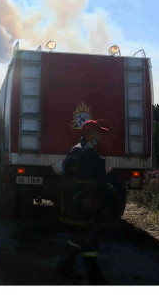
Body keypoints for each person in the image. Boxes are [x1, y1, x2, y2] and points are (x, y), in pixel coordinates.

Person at [57, 120, 109, 284]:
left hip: (87, 205)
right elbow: (69, 180)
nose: (100, 136)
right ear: (90, 134)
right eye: (98, 133)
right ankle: (95, 278)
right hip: (80, 206)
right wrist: (82, 198)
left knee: (81, 238)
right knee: (87, 239)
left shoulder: (89, 151)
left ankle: (65, 269)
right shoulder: (79, 152)